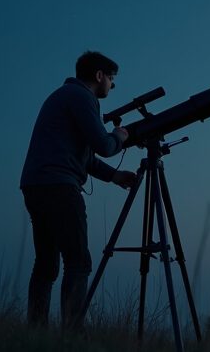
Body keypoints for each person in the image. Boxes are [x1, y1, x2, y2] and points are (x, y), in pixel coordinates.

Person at [20, 50, 136, 330]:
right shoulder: (83, 97)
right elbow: (104, 146)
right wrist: (120, 136)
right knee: (79, 262)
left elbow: (83, 156)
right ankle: (72, 336)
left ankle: (36, 335)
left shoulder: (62, 96)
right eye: (111, 78)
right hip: (60, 187)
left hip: (36, 185)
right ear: (99, 75)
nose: (112, 85)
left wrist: (114, 176)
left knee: (46, 265)